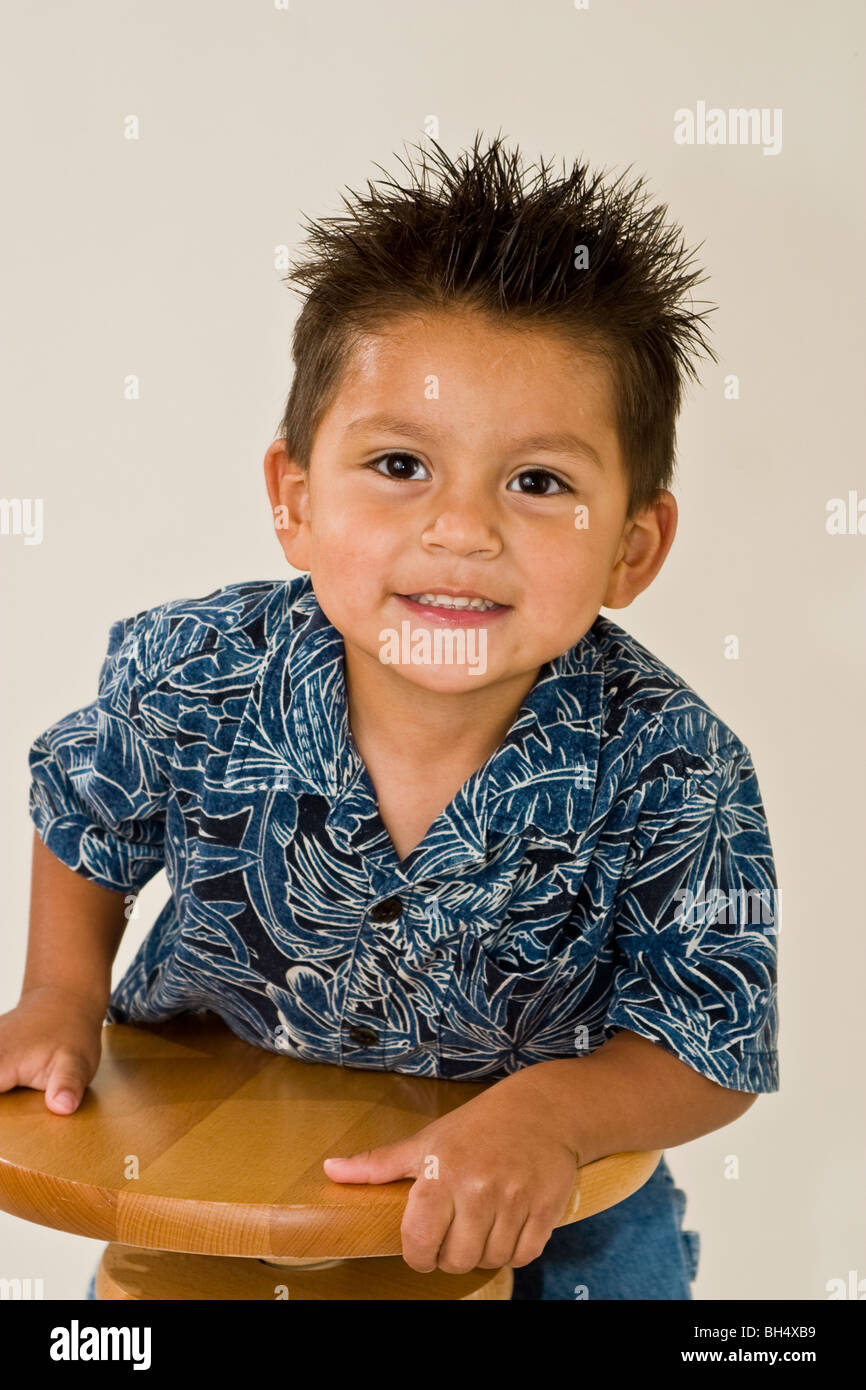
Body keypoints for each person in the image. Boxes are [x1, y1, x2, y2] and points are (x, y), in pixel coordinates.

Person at [9, 133, 778, 1301]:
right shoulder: (198, 670)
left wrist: (550, 1117)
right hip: (223, 1153)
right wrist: (57, 997)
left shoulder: (673, 764)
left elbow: (710, 1040)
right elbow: (88, 813)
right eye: (400, 463)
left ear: (633, 546)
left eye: (537, 482)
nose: (460, 529)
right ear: (296, 499)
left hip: (550, 1202)